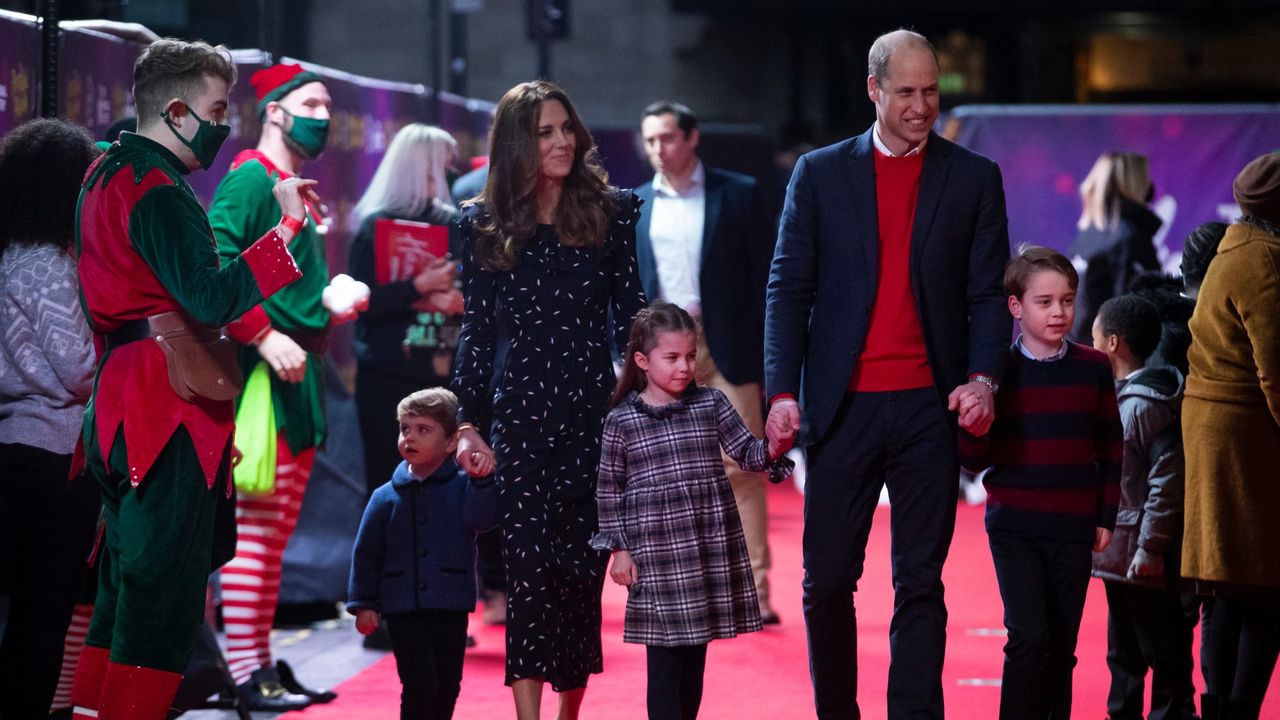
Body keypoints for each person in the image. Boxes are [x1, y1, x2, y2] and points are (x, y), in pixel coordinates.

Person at [763, 29, 1011, 719]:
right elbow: (788, 289)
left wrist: (985, 377)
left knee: (921, 582)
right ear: (874, 90)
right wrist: (782, 390)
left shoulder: (973, 178)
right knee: (826, 580)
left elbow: (987, 295)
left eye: (931, 91)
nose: (921, 105)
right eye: (906, 92)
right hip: (843, 408)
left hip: (932, 408)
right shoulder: (819, 173)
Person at [69, 38, 306, 718]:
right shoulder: (156, 188)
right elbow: (210, 298)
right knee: (160, 604)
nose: (224, 122)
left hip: (122, 397)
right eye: (217, 107)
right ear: (176, 111)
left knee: (123, 590)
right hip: (163, 407)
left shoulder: (103, 174)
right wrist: (286, 226)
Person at [451, 79, 648, 720]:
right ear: (517, 144)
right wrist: (468, 423)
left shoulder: (611, 212)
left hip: (594, 414)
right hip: (521, 417)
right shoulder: (483, 224)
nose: (562, 141)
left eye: (567, 128)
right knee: (528, 577)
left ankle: (569, 712)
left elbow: (630, 320)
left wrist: (659, 381)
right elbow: (477, 333)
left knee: (577, 579)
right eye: (544, 133)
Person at [206, 61, 346, 710]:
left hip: (296, 376)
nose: (323, 114)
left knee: (275, 534)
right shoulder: (251, 181)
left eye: (326, 104)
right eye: (311, 102)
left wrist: (326, 308)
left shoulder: (287, 184)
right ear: (275, 110)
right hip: (262, 378)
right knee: (257, 533)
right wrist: (262, 333)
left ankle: (259, 661)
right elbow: (214, 270)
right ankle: (243, 671)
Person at [592, 303, 792, 720]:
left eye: (689, 356)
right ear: (642, 361)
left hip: (703, 550)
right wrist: (620, 550)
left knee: (693, 661)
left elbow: (747, 454)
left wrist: (775, 444)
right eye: (672, 358)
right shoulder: (622, 421)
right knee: (664, 665)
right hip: (655, 557)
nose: (685, 367)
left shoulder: (711, 404)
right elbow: (609, 491)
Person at [958, 245, 1122, 720]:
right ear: (1016, 306)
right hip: (1015, 526)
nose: (1059, 312)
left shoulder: (1093, 367)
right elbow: (973, 462)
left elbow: (1111, 445)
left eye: (1067, 300)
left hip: (1073, 526)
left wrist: (1105, 516)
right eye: (1044, 302)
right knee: (1029, 639)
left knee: (1061, 648)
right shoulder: (997, 374)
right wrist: (973, 425)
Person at [634, 101, 780, 624]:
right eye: (650, 140)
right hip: (661, 350)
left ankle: (757, 595)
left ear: (693, 138)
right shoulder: (634, 204)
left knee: (743, 469)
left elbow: (768, 277)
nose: (659, 149)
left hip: (728, 344)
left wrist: (772, 352)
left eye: (668, 138)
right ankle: (674, 591)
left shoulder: (737, 194)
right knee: (659, 474)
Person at [0, 118, 100, 719]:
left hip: (9, 444)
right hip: (55, 453)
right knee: (43, 619)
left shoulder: (7, 256)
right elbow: (78, 370)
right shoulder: (43, 263)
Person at [1182, 152, 1280, 718]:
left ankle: (1219, 705)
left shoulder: (1235, 245)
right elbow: (1277, 371)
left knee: (1222, 584)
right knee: (1264, 585)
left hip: (1215, 428)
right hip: (1245, 435)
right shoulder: (1265, 261)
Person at [348, 387, 497, 720]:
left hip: (451, 603)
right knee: (420, 683)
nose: (409, 438)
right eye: (404, 429)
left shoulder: (464, 486)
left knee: (448, 684)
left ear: (449, 444)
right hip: (402, 607)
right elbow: (367, 553)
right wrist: (364, 604)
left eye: (422, 429)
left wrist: (483, 481)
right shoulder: (384, 496)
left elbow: (483, 521)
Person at [1090, 294, 1191, 720]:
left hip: (1141, 556)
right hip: (1120, 553)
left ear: (1112, 343)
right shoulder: (1123, 398)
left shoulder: (1144, 406)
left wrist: (1150, 548)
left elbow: (1165, 484)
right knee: (1123, 652)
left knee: (1162, 649)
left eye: (1094, 333)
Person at [349, 124, 463, 500]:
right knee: (386, 485)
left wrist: (460, 303)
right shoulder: (373, 227)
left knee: (446, 488)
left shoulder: (458, 226)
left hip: (443, 375)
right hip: (385, 378)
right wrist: (417, 287)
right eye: (442, 163)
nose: (450, 171)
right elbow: (362, 304)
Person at [1069, 151, 1162, 342]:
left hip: (1084, 346)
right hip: (1113, 354)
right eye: (1145, 177)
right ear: (1136, 184)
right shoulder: (1129, 237)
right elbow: (1132, 310)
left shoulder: (1088, 233)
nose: (1149, 185)